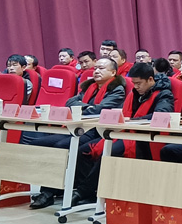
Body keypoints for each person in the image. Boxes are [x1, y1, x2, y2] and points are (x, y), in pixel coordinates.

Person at [28, 57, 127, 209]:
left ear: (113, 72)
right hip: (77, 128)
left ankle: (48, 192)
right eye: (95, 68)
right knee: (38, 143)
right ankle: (53, 186)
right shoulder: (89, 87)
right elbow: (70, 102)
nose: (96, 71)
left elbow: (100, 110)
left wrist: (81, 107)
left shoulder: (117, 89)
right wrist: (87, 107)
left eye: (101, 68)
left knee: (61, 146)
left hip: (96, 131)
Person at [72, 64, 175, 206]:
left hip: (145, 138)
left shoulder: (164, 94)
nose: (136, 87)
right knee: (83, 150)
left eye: (139, 83)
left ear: (150, 80)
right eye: (134, 83)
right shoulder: (134, 93)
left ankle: (82, 192)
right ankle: (91, 193)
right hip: (126, 133)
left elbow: (162, 114)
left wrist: (133, 121)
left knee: (109, 153)